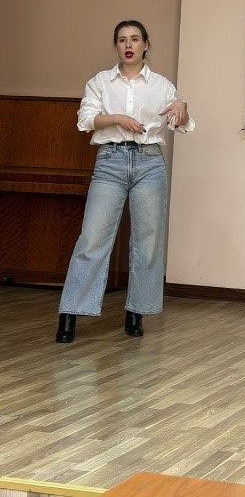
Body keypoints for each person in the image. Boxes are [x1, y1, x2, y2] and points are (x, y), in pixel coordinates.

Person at [55, 20, 195, 344]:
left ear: (146, 44)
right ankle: (70, 313)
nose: (128, 45)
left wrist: (182, 107)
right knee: (92, 238)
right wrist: (117, 118)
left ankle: (136, 311)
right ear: (116, 46)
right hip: (110, 161)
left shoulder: (162, 85)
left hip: (150, 163)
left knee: (148, 240)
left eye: (134, 39)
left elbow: (182, 124)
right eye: (122, 40)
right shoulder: (100, 82)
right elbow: (85, 120)